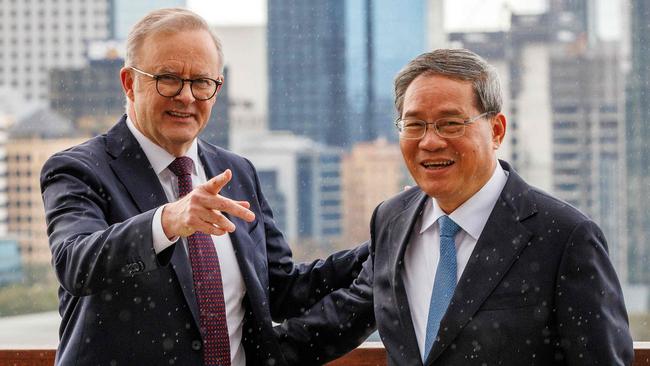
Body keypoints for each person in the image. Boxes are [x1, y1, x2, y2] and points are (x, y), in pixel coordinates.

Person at [40, 8, 368, 366]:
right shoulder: (79, 169)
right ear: (129, 83)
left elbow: (282, 291)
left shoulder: (236, 172)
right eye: (168, 78)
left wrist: (383, 248)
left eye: (201, 82)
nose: (187, 96)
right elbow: (76, 265)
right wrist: (167, 221)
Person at [278, 48, 634, 365]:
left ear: (496, 130)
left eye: (450, 124)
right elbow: (334, 324)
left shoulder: (564, 237)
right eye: (414, 125)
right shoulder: (392, 220)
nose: (430, 142)